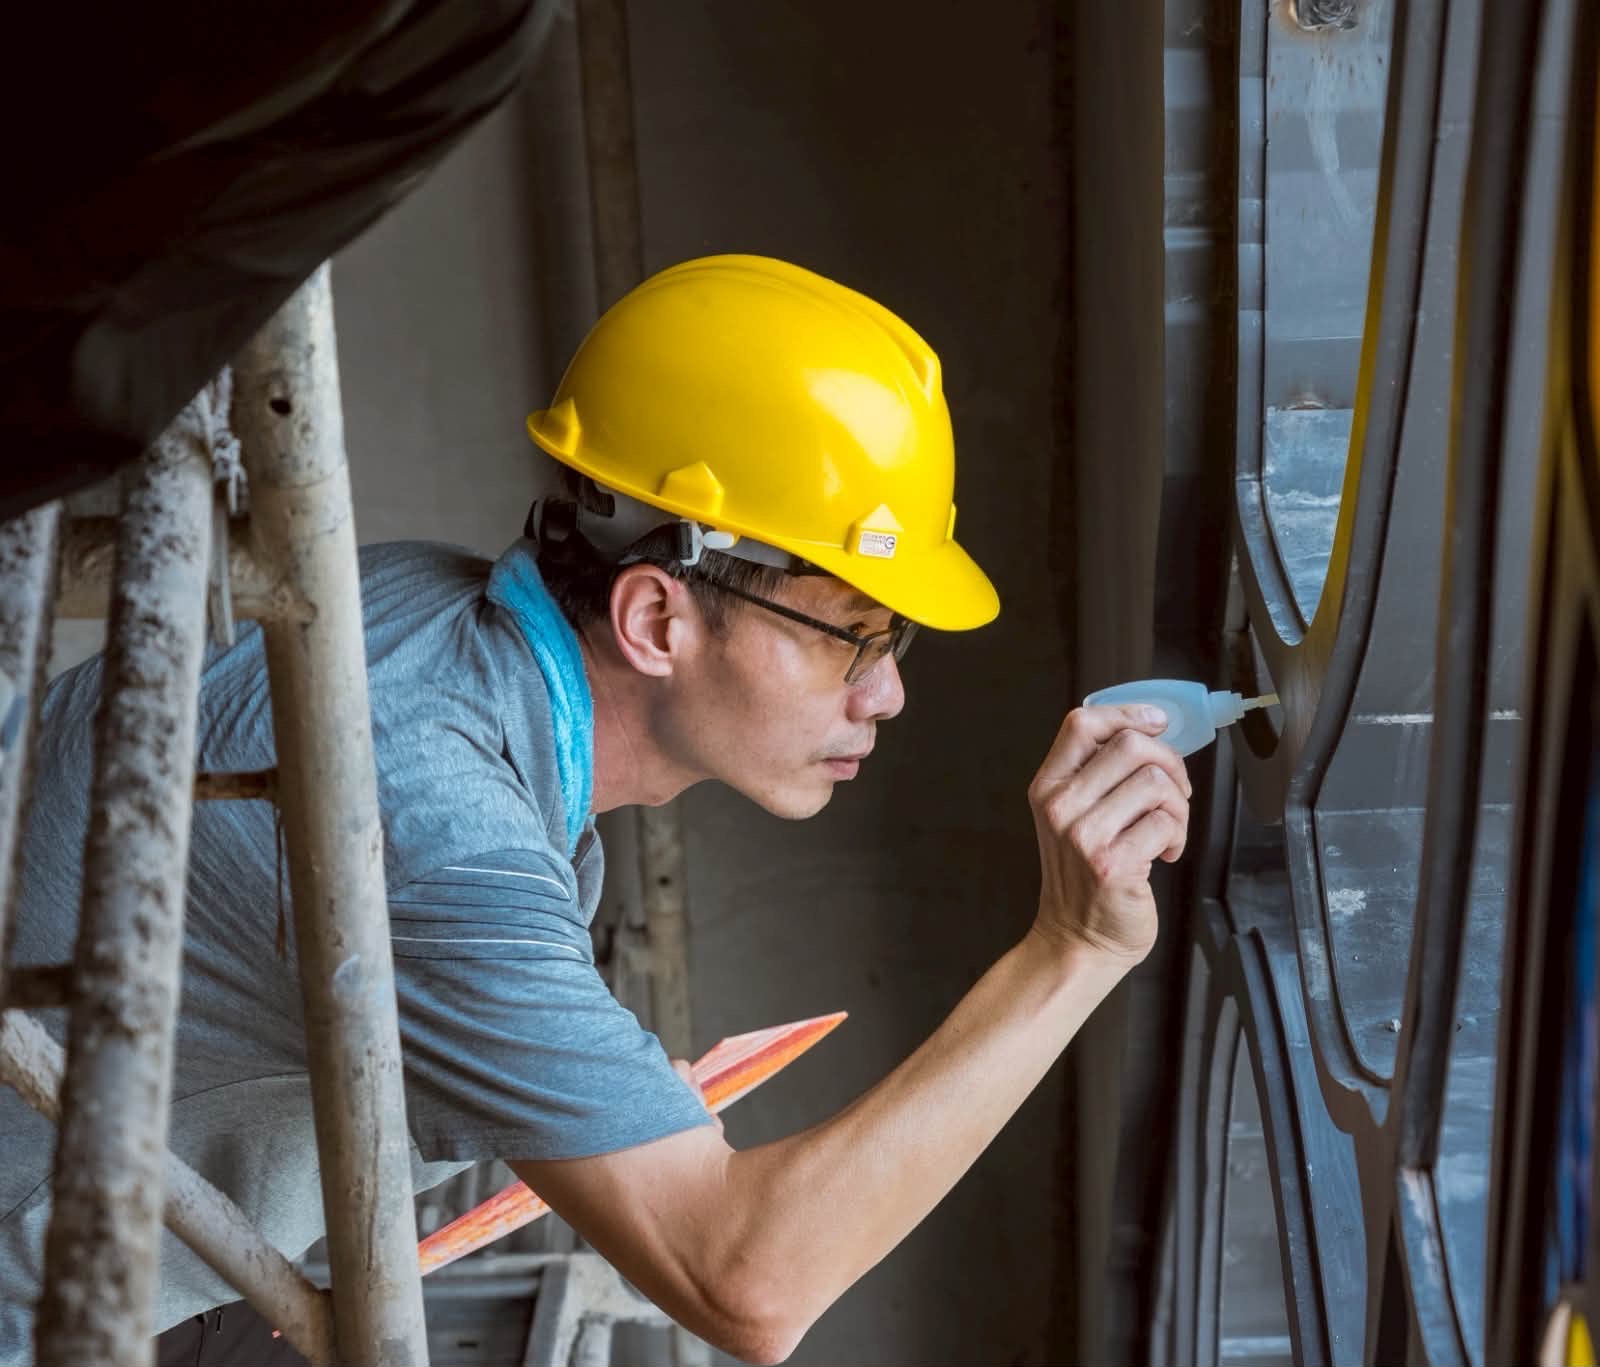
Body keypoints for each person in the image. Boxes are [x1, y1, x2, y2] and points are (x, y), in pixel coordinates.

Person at [0, 256, 1192, 1365]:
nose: (885, 693)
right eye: (856, 637)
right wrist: (1070, 953)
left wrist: (578, 1087)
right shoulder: (439, 827)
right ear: (656, 619)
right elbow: (749, 1284)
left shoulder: (418, 608)